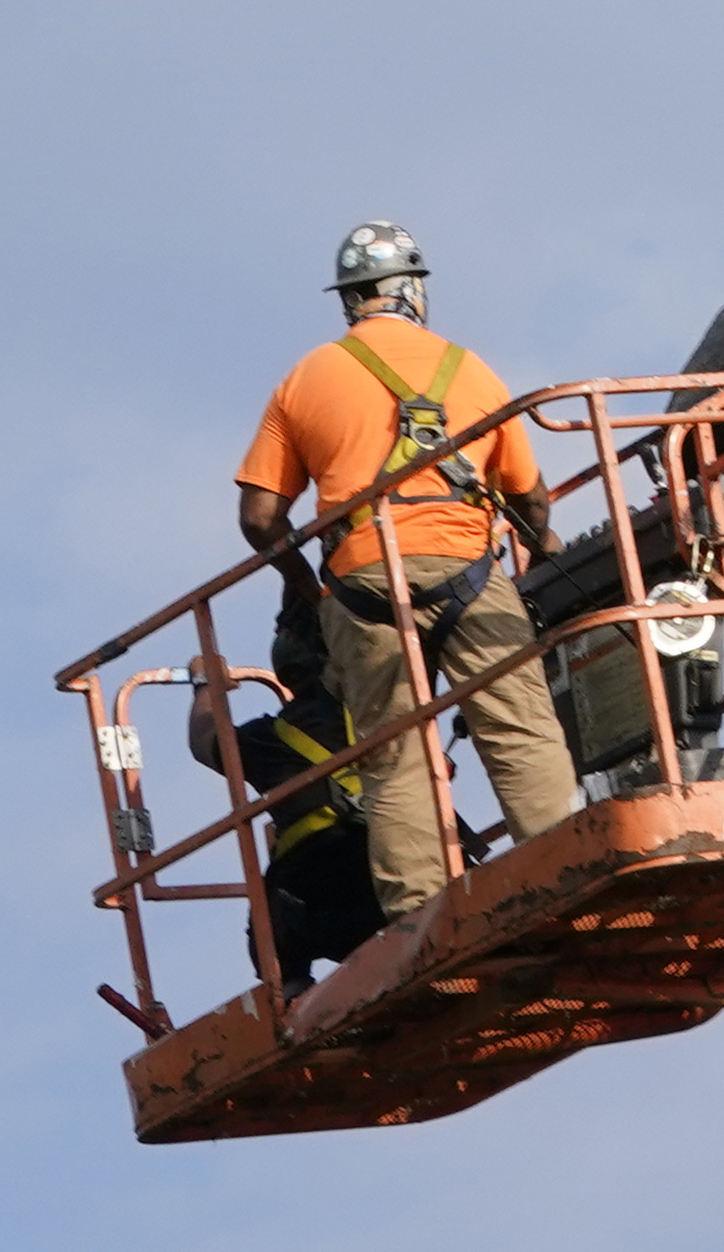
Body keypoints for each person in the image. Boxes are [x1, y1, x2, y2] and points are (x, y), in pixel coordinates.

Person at [232, 221, 580, 923]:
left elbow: (260, 517)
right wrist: (544, 548)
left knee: (394, 755)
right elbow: (530, 495)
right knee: (520, 731)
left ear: (350, 300)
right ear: (413, 290)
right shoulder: (471, 369)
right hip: (472, 576)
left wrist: (312, 588)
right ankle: (563, 873)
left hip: (362, 587)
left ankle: (418, 916)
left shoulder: (306, 377)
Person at [181, 566, 380, 979]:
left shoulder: (270, 739)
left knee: (270, 912)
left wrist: (207, 683)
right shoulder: (381, 700)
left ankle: (287, 989)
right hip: (397, 876)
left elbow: (206, 740)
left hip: (319, 901)